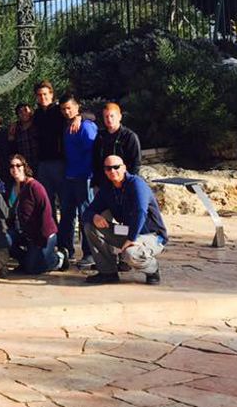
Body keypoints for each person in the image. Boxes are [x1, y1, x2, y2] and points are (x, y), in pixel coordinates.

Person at [82, 155, 168, 285]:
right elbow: (87, 212)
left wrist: (131, 239)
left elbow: (140, 212)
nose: (112, 171)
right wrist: (94, 216)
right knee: (90, 226)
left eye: (116, 167)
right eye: (108, 168)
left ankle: (153, 268)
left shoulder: (137, 184)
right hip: (126, 230)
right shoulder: (107, 188)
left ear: (124, 168)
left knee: (130, 254)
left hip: (151, 235)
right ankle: (108, 273)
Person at [6, 154, 67, 274]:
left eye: (18, 165)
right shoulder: (12, 187)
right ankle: (26, 261)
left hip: (42, 235)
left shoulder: (34, 186)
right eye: (12, 166)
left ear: (24, 167)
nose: (15, 168)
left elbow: (46, 212)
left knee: (34, 269)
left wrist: (41, 238)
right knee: (5, 239)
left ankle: (59, 258)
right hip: (25, 233)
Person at [58, 93, 98, 267]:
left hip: (85, 177)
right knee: (67, 215)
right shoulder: (67, 126)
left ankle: (89, 253)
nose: (66, 112)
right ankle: (66, 250)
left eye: (69, 108)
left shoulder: (86, 126)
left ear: (77, 107)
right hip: (69, 176)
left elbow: (94, 150)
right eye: (63, 109)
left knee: (85, 215)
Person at [32, 81, 66, 214]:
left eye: (45, 94)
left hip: (59, 161)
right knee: (47, 200)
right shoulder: (37, 114)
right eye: (39, 95)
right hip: (43, 162)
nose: (43, 97)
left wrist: (78, 118)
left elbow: (84, 115)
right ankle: (51, 227)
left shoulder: (60, 111)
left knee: (64, 199)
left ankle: (66, 227)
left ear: (51, 94)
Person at [91, 102, 142, 188]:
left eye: (112, 116)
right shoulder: (100, 136)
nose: (109, 119)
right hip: (105, 183)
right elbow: (96, 160)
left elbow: (135, 163)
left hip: (123, 183)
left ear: (119, 117)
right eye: (106, 116)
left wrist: (129, 183)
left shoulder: (129, 137)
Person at [8, 103, 39, 174]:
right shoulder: (15, 129)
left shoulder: (37, 124)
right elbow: (12, 148)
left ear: (31, 111)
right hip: (25, 166)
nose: (24, 113)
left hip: (40, 163)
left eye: (26, 110)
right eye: (20, 112)